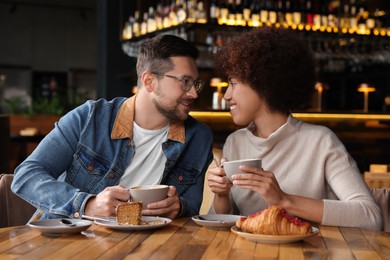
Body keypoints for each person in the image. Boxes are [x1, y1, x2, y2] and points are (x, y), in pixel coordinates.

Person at [11, 34, 214, 221]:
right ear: (149, 81)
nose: (194, 94)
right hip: (68, 242)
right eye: (185, 82)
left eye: (195, 83)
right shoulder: (90, 118)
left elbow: (192, 207)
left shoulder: (199, 138)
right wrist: (87, 204)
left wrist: (179, 207)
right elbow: (27, 175)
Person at [207, 27, 383, 230]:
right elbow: (221, 226)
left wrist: (284, 200)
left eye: (233, 83)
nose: (226, 95)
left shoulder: (320, 141)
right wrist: (222, 194)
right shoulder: (235, 142)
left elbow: (370, 216)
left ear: (263, 81)